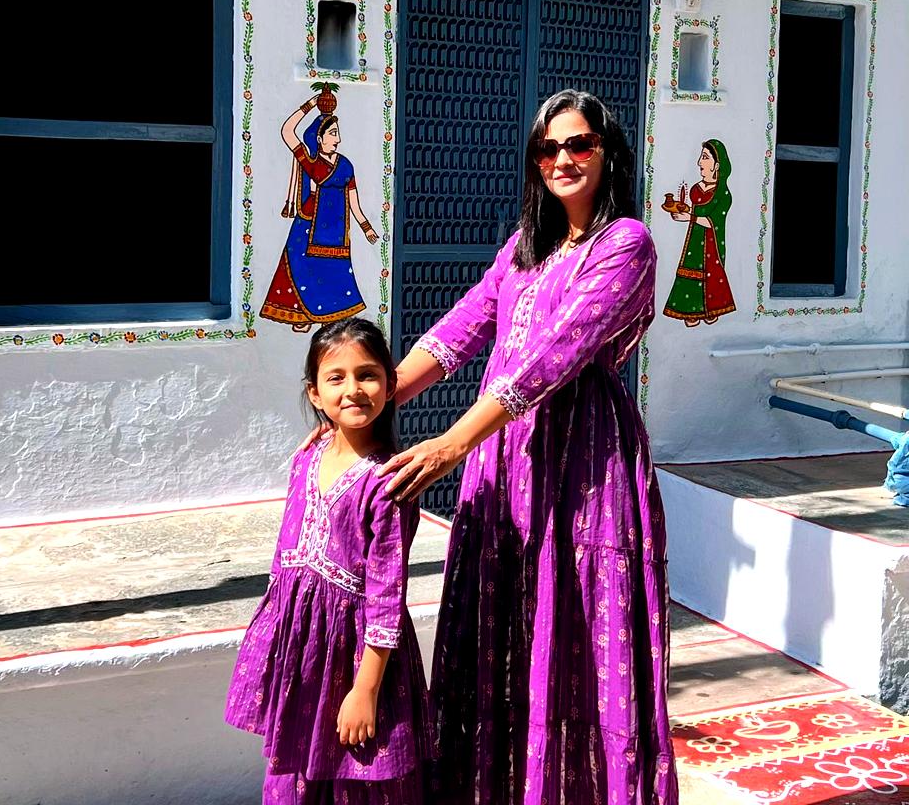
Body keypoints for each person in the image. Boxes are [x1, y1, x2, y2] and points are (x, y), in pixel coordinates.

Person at [379, 90, 678, 805]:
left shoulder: (626, 243)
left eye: (579, 145)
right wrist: (366, 402)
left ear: (608, 154)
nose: (562, 160)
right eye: (548, 149)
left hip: (584, 468)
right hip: (504, 464)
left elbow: (552, 357)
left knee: (576, 628)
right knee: (500, 625)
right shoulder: (523, 248)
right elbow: (457, 333)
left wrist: (451, 443)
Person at [226, 318, 432, 804]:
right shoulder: (307, 456)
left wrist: (366, 690)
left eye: (368, 375)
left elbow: (386, 595)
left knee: (359, 772)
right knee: (298, 771)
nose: (353, 389)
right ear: (314, 393)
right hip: (302, 648)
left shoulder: (390, 482)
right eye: (336, 378)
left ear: (390, 386)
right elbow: (286, 560)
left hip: (357, 653)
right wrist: (272, 641)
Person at [261, 98, 379, 333]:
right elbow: (287, 131)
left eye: (337, 133)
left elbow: (353, 199)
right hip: (308, 225)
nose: (338, 139)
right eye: (333, 133)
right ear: (319, 138)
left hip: (336, 230)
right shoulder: (310, 162)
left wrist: (366, 226)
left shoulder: (345, 165)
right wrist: (310, 104)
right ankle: (304, 314)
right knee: (302, 271)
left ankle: (328, 315)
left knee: (334, 274)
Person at [663, 139, 736, 327]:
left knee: (710, 276)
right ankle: (691, 311)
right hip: (694, 239)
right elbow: (695, 211)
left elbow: (713, 222)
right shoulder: (697, 189)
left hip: (711, 243)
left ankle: (709, 310)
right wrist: (682, 210)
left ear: (716, 165)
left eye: (704, 157)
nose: (699, 163)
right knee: (690, 271)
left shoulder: (723, 194)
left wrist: (689, 218)